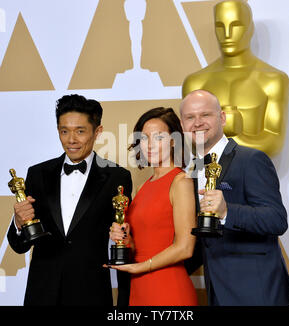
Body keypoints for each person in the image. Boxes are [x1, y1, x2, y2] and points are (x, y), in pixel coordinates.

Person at [7, 94, 132, 306]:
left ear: (98, 132)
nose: (71, 139)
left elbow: (123, 238)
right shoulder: (37, 174)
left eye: (80, 131)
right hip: (42, 292)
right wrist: (19, 223)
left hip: (91, 292)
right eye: (64, 131)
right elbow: (19, 246)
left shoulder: (117, 177)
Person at [180, 89, 289, 306]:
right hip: (218, 292)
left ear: (222, 118)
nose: (197, 123)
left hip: (259, 293)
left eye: (205, 115)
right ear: (182, 125)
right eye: (190, 117)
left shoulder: (251, 159)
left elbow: (276, 219)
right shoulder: (191, 171)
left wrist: (227, 211)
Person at [106, 107, 198, 306]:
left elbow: (185, 248)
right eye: (144, 138)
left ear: (174, 140)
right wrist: (124, 239)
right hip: (138, 288)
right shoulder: (142, 186)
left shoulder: (180, 182)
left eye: (158, 137)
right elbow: (141, 241)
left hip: (167, 288)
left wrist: (141, 268)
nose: (149, 145)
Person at [182, 0, 289, 157]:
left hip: (254, 177)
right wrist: (230, 134)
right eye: (220, 26)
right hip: (208, 178)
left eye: (236, 25)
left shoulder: (273, 80)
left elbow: (274, 143)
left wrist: (225, 135)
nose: (227, 34)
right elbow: (191, 143)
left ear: (250, 28)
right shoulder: (195, 82)